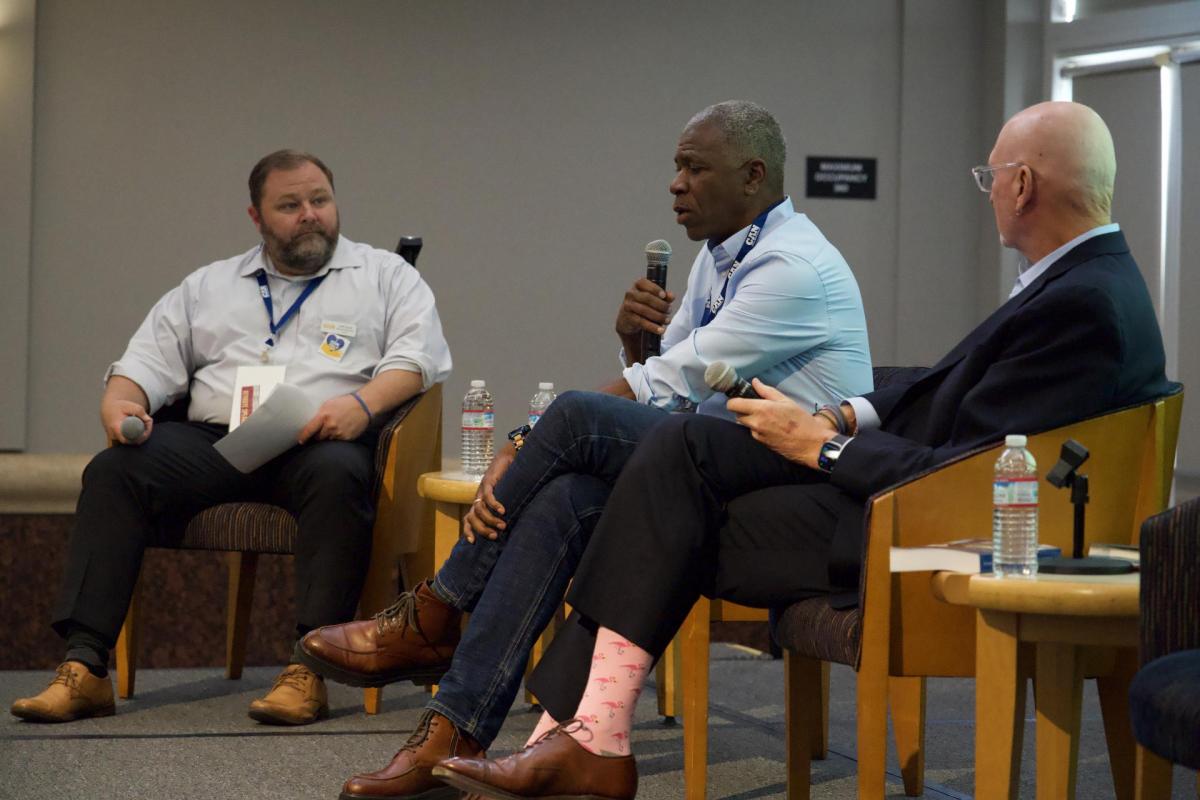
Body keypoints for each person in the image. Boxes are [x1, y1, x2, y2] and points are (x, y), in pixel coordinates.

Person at [428, 100, 1173, 800]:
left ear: (1023, 184)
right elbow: (945, 386)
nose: (989, 193)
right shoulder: (1081, 283)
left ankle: (555, 717)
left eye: (990, 177)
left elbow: (974, 467)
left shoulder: (1082, 304)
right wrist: (848, 412)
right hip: (909, 504)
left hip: (927, 531)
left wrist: (827, 449)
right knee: (632, 479)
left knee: (645, 496)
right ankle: (577, 733)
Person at [295, 100, 872, 799]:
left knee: (570, 417)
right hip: (712, 465)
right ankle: (453, 730)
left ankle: (439, 607)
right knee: (567, 498)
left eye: (695, 168)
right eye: (676, 167)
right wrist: (634, 343)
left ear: (753, 176)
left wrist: (522, 441)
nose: (676, 184)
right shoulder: (719, 258)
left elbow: (668, 383)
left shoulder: (792, 266)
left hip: (793, 483)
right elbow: (665, 391)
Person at [10, 150, 452, 726]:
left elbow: (417, 360)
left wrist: (361, 405)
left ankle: (307, 670)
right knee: (115, 471)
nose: (310, 214)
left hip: (322, 442)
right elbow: (142, 364)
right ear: (256, 217)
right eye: (289, 205)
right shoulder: (210, 286)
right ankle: (85, 666)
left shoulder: (386, 276)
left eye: (319, 200)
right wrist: (120, 404)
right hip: (218, 444)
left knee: (339, 474)